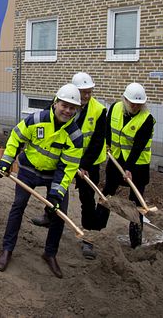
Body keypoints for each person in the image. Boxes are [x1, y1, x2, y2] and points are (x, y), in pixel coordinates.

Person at [0, 83, 84, 279]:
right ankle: (7, 249)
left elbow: (68, 167)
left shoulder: (75, 136)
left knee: (59, 212)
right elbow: (16, 137)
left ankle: (49, 254)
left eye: (72, 108)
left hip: (54, 175)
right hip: (28, 170)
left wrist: (56, 194)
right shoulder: (36, 120)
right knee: (18, 206)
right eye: (64, 105)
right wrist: (6, 161)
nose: (67, 111)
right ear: (55, 102)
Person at [30, 72, 107, 260]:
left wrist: (83, 165)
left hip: (88, 163)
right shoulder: (61, 102)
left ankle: (88, 239)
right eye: (83, 93)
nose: (86, 97)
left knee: (87, 199)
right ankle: (49, 216)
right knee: (55, 189)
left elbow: (97, 142)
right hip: (62, 157)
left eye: (89, 92)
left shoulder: (99, 110)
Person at [94, 82, 155, 249]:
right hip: (116, 160)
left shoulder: (146, 120)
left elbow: (138, 147)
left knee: (135, 204)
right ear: (125, 100)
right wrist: (107, 144)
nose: (135, 106)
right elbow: (107, 128)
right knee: (107, 194)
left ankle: (135, 242)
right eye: (132, 103)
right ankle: (96, 230)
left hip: (138, 166)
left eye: (139, 104)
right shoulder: (115, 108)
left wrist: (129, 168)